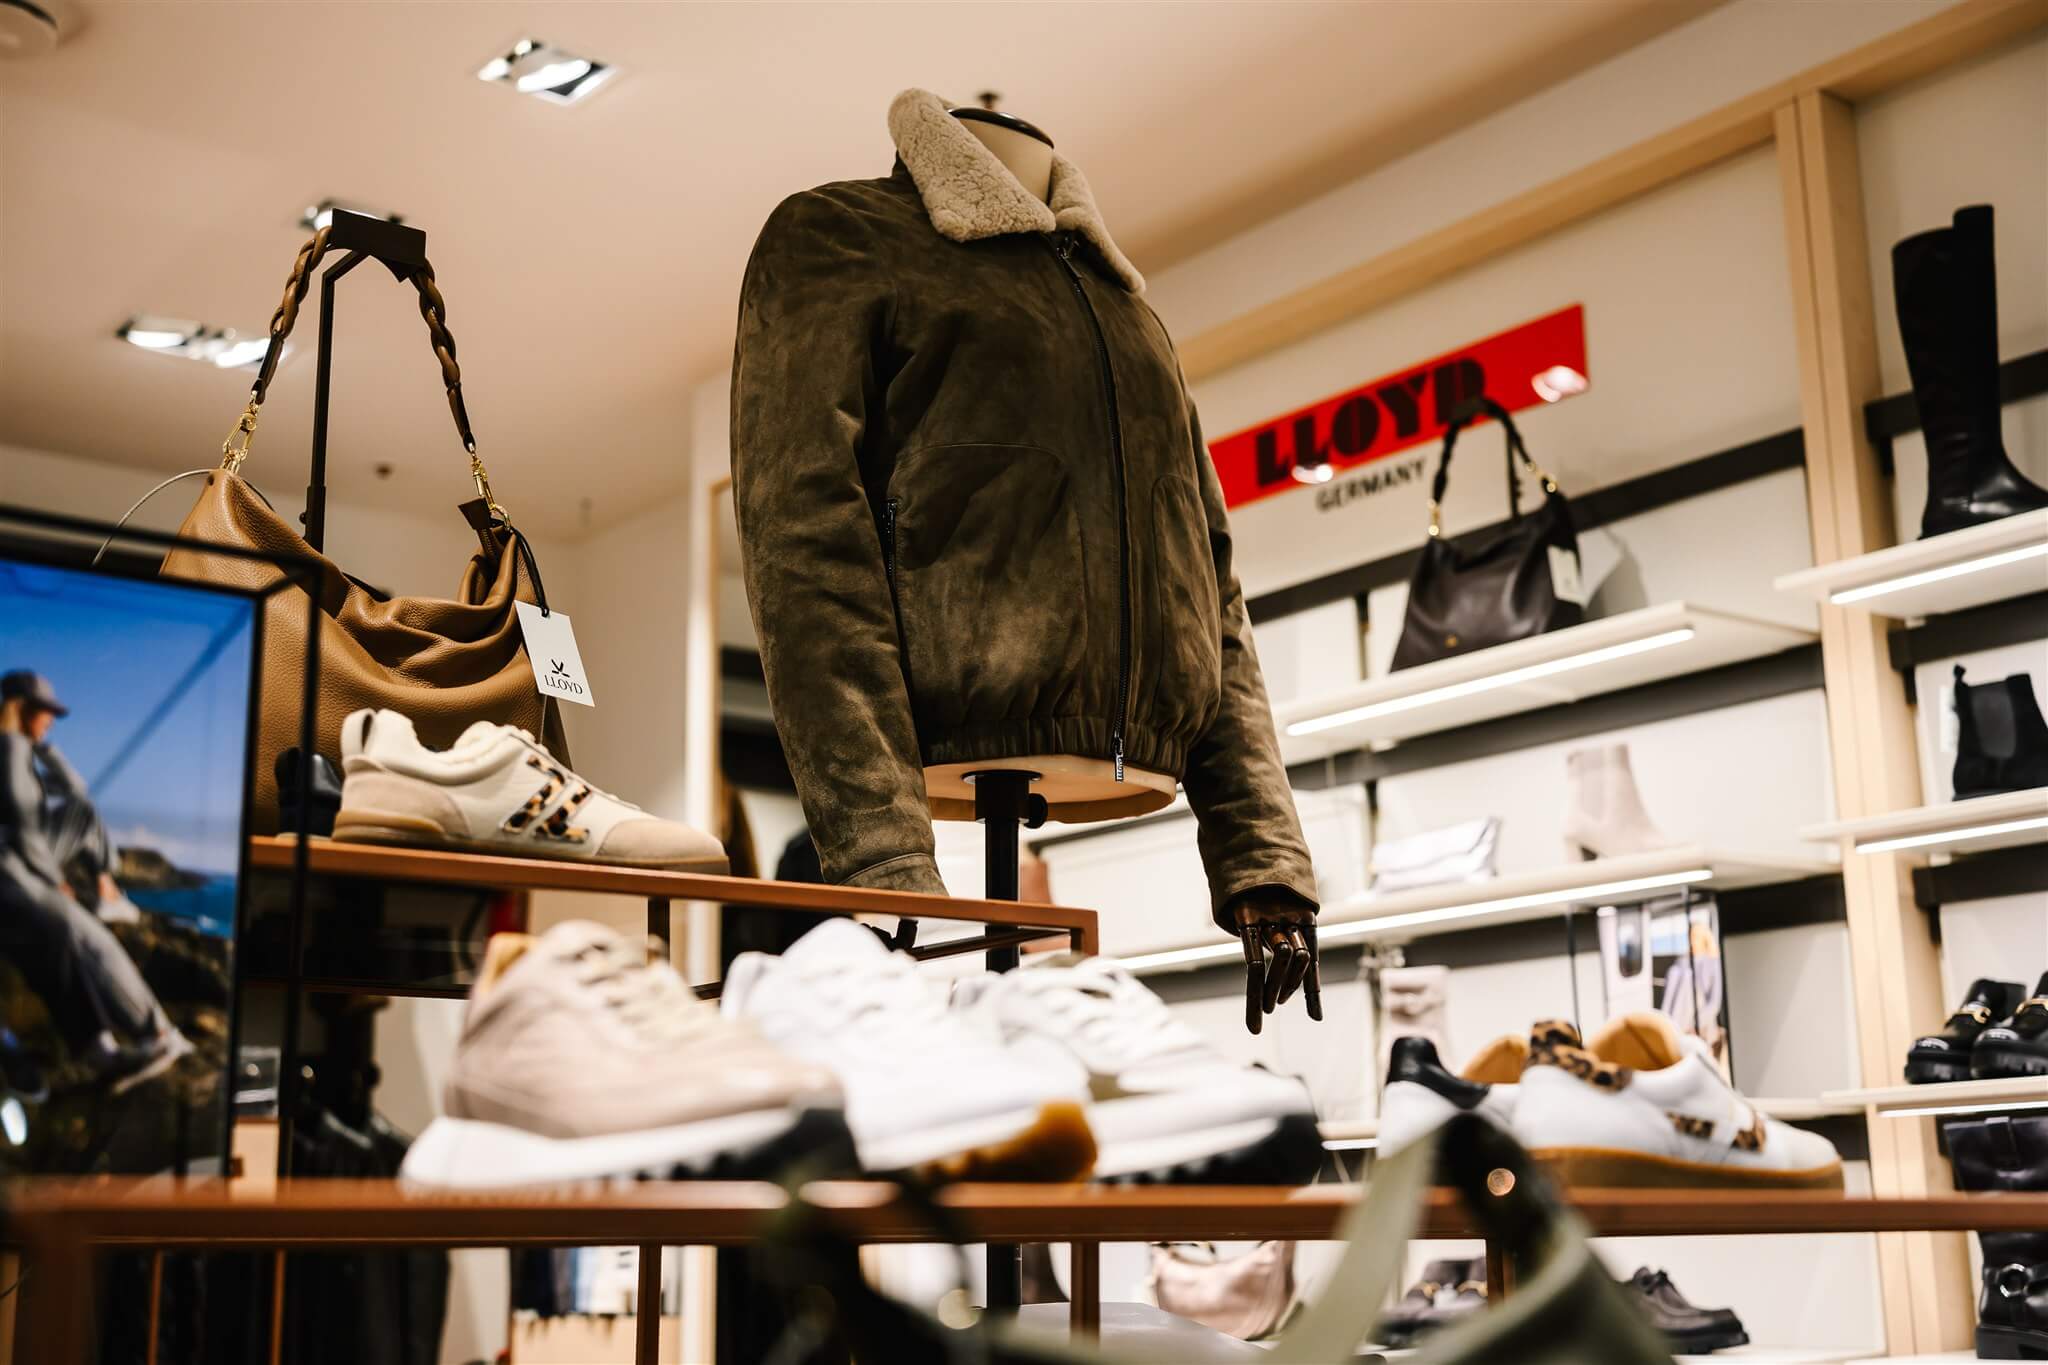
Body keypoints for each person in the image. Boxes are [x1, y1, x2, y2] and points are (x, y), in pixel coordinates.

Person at [0, 670, 190, 1095]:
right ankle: (147, 1038)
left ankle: (109, 1049)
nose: (51, 718)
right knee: (77, 940)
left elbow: (76, 794)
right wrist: (52, 883)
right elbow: (23, 827)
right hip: (13, 876)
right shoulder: (9, 749)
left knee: (65, 951)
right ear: (21, 707)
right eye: (45, 711)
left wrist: (46, 750)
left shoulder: (21, 749)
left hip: (20, 872)